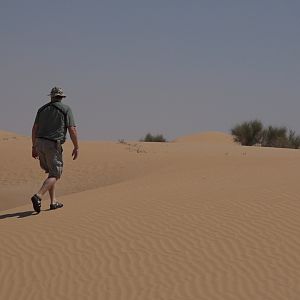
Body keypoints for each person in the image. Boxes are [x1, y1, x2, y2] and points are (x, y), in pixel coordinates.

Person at [31, 87, 79, 213]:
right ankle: (38, 196)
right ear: (61, 97)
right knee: (56, 174)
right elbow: (72, 129)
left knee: (51, 173)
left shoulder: (42, 109)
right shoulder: (66, 109)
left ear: (51, 97)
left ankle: (53, 202)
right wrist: (76, 146)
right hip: (52, 144)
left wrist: (34, 146)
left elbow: (34, 129)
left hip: (40, 143)